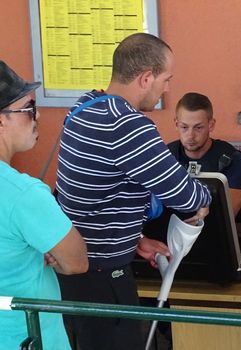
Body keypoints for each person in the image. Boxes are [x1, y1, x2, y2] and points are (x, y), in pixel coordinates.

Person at [54, 33, 211, 350]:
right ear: (146, 78)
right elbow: (186, 196)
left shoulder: (84, 106)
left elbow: (91, 197)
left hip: (71, 268)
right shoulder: (126, 124)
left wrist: (135, 237)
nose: (167, 89)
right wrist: (205, 199)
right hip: (101, 275)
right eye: (165, 80)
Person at [0, 60, 88, 349]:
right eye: (29, 109)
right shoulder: (23, 194)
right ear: (1, 120)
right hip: (25, 337)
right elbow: (76, 262)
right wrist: (49, 254)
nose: (37, 118)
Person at [168, 92, 241, 216]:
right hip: (169, 228)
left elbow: (227, 214)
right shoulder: (165, 156)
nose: (190, 136)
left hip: (220, 232)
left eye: (198, 128)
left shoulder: (232, 160)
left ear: (211, 125)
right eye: (184, 127)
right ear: (176, 124)